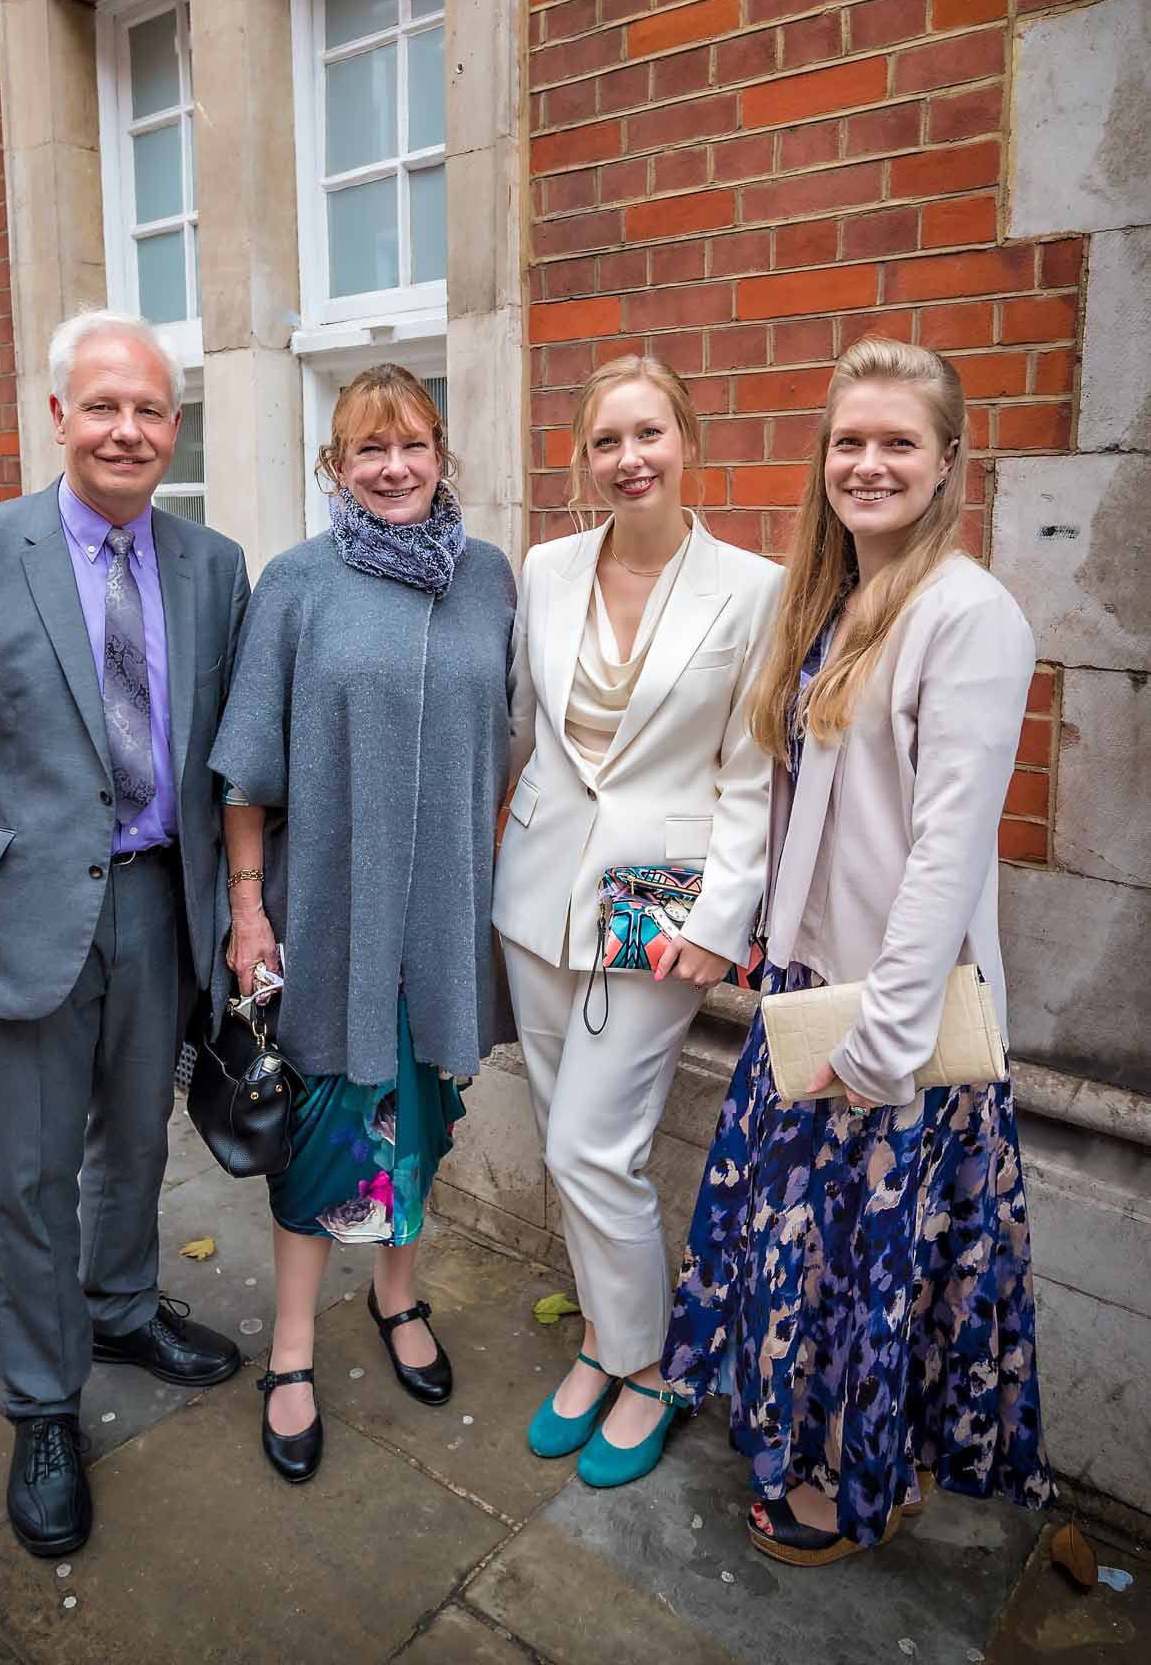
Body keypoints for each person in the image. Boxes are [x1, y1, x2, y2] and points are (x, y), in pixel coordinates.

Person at [663, 338, 1056, 1565]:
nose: (868, 462)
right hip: (806, 990)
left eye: (897, 441)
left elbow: (943, 854)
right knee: (804, 1256)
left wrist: (881, 1043)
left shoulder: (970, 616)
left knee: (868, 1274)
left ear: (948, 462)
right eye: (848, 440)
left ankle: (859, 1479)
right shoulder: (825, 598)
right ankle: (818, 1448)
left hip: (892, 1016)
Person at [0, 310, 250, 1558]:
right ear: (57, 416)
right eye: (103, 406)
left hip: (160, 903)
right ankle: (43, 1404)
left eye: (150, 410)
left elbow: (224, 763)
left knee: (136, 1140)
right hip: (21, 916)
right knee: (30, 1177)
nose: (127, 429)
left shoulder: (213, 565)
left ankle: (123, 1303)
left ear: (173, 428)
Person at [209, 363, 515, 1485]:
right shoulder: (296, 583)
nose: (393, 467)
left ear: (444, 455)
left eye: (413, 445)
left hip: (437, 912)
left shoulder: (489, 579)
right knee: (321, 1126)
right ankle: (291, 1353)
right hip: (327, 909)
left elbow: (510, 742)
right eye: (367, 450)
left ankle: (396, 1295)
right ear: (334, 467)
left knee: (419, 1114)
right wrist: (249, 910)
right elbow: (244, 770)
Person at [492, 354, 782, 1490]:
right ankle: (605, 1344)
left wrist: (722, 917)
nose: (629, 458)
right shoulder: (547, 568)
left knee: (590, 1143)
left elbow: (751, 772)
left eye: (648, 433)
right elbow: (524, 728)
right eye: (607, 440)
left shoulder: (750, 587)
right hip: (538, 894)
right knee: (568, 1130)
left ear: (686, 439)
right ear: (582, 456)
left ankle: (650, 1363)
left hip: (658, 908)